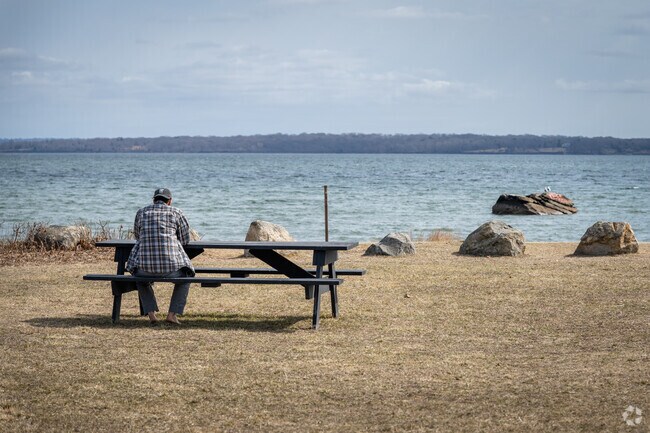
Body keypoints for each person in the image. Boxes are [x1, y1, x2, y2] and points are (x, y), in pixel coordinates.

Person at [126, 188, 195, 324]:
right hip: (171, 269)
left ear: (153, 200)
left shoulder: (141, 212)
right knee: (186, 278)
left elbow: (137, 236)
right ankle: (172, 314)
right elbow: (185, 239)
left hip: (144, 269)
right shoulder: (176, 212)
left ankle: (151, 315)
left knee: (140, 278)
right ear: (169, 201)